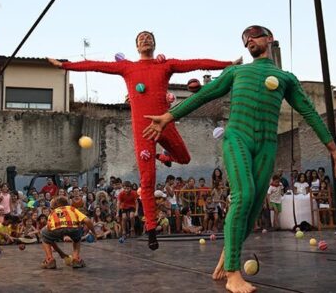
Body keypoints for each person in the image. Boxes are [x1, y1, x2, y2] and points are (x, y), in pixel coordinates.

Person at [143, 25, 336, 293]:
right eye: (245, 38)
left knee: (252, 212)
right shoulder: (237, 72)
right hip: (238, 138)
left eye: (254, 34)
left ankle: (229, 253)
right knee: (243, 195)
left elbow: (309, 112)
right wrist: (169, 116)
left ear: (269, 39)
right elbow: (203, 95)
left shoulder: (286, 78)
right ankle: (233, 274)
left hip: (267, 145)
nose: (249, 40)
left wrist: (331, 148)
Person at [48, 31, 241, 250]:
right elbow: (96, 65)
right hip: (144, 130)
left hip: (165, 123)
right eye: (141, 39)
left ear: (154, 44)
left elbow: (195, 63)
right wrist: (66, 66)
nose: (145, 40)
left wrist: (227, 64)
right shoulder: (128, 67)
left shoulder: (165, 65)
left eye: (148, 38)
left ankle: (163, 156)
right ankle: (151, 231)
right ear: (136, 47)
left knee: (184, 158)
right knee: (147, 181)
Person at [40, 196, 96, 269]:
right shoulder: (72, 209)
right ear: (67, 204)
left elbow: (49, 231)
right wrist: (94, 233)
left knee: (45, 235)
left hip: (55, 229)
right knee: (77, 239)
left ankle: (50, 259)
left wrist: (62, 254)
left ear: (54, 206)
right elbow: (87, 221)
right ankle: (76, 258)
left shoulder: (52, 212)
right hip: (72, 228)